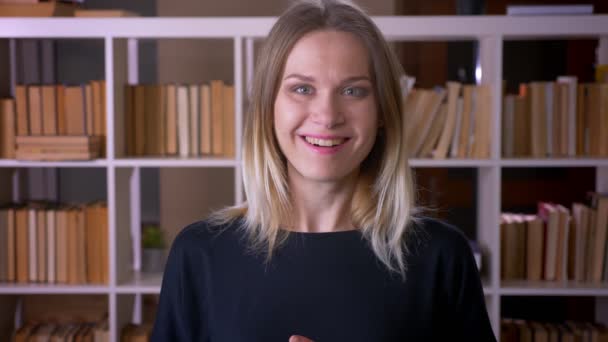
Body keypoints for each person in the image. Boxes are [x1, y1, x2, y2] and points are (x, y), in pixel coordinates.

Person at [151, 0, 497, 341]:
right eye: (302, 88)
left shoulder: (441, 256)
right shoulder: (199, 255)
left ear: (382, 113)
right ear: (268, 110)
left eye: (352, 90)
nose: (328, 115)